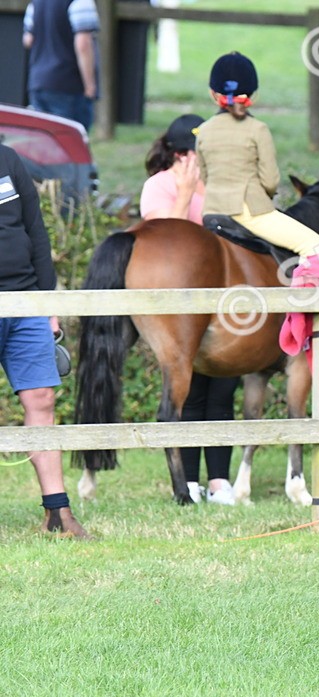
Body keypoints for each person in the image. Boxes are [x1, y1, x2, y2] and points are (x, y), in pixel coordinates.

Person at [140, 113, 238, 505]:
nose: (191, 161)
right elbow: (165, 243)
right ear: (174, 154)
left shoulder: (217, 185)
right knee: (192, 393)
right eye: (184, 154)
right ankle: (191, 480)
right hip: (181, 307)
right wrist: (183, 194)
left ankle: (219, 479)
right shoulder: (158, 187)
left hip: (224, 300)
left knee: (222, 392)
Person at [0, 142, 90, 538]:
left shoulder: (7, 159)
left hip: (26, 301)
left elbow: (35, 230)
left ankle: (58, 515)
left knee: (42, 400)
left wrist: (47, 301)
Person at [194, 52, 319, 259]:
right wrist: (265, 197)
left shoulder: (203, 130)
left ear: (213, 93)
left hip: (211, 212)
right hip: (249, 212)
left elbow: (205, 176)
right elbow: (270, 181)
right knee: (314, 244)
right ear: (253, 95)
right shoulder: (258, 129)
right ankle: (305, 292)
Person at [22, 0, 99, 133]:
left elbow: (28, 40)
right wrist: (90, 85)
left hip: (38, 82)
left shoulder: (36, 3)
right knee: (71, 144)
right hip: (69, 84)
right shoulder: (80, 2)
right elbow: (83, 43)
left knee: (44, 142)